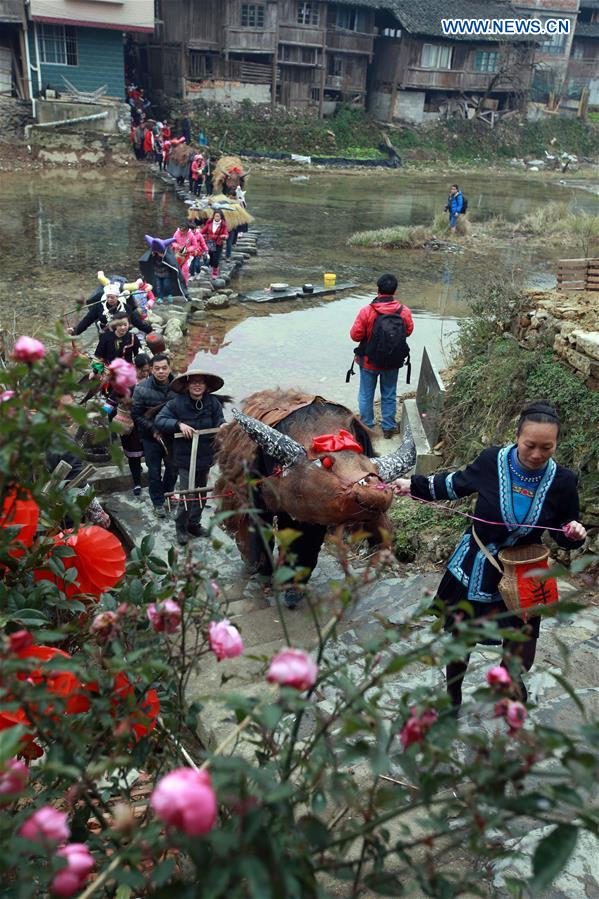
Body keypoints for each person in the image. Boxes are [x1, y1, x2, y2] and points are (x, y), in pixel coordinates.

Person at [393, 401, 587, 711]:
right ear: (516, 436)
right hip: (475, 567)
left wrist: (575, 533)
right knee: (461, 638)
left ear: (556, 443)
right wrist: (412, 486)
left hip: (523, 573)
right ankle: (452, 698)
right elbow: (454, 484)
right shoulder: (490, 461)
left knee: (522, 646)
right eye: (530, 445)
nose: (537, 454)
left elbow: (564, 530)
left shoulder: (562, 482)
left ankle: (511, 679)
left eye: (546, 447)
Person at [155, 368, 226, 545]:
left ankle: (194, 524)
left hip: (206, 456)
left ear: (206, 386)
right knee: (187, 494)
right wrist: (179, 424)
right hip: (186, 458)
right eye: (193, 382)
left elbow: (219, 419)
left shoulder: (213, 402)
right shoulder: (176, 403)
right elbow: (160, 420)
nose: (197, 385)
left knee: (201, 494)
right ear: (187, 386)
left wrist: (223, 425)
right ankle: (181, 527)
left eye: (200, 382)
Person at [349, 274, 414, 438]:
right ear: (395, 291)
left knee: (366, 394)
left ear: (378, 290)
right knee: (389, 394)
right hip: (393, 361)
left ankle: (367, 426)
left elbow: (355, 336)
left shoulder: (367, 311)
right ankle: (388, 427)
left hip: (369, 361)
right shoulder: (404, 311)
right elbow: (408, 331)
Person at [131, 353, 179, 518]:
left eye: (164, 368)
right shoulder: (141, 388)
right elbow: (136, 415)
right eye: (157, 368)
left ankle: (168, 492)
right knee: (154, 471)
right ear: (151, 369)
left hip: (173, 435)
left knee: (173, 468)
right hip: (150, 437)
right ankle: (158, 502)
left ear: (170, 368)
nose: (161, 372)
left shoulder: (179, 386)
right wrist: (153, 429)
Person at [111, 354, 150, 497]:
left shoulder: (152, 381)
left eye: (147, 370)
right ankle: (137, 483)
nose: (145, 373)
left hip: (146, 424)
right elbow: (112, 399)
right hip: (130, 425)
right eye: (142, 370)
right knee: (133, 456)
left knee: (149, 453)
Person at [70, 280, 152, 337]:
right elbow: (87, 320)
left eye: (112, 297)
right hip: (105, 336)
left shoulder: (125, 307)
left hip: (123, 336)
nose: (109, 299)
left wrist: (150, 331)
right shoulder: (99, 307)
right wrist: (75, 331)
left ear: (117, 297)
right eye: (108, 297)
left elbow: (136, 322)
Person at [139, 235, 190, 301]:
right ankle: (160, 297)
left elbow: (172, 263)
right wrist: (153, 254)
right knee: (159, 286)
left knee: (167, 285)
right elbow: (149, 260)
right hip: (157, 273)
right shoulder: (154, 254)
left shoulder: (167, 254)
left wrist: (163, 256)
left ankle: (169, 295)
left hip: (166, 274)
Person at [200, 210, 228, 279]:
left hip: (218, 244)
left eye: (218, 216)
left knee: (216, 259)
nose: (217, 217)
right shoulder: (209, 223)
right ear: (214, 216)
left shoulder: (223, 225)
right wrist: (199, 235)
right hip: (209, 243)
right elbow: (203, 231)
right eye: (215, 216)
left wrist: (224, 236)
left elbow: (226, 233)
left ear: (221, 217)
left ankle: (215, 272)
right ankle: (208, 268)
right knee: (210, 258)